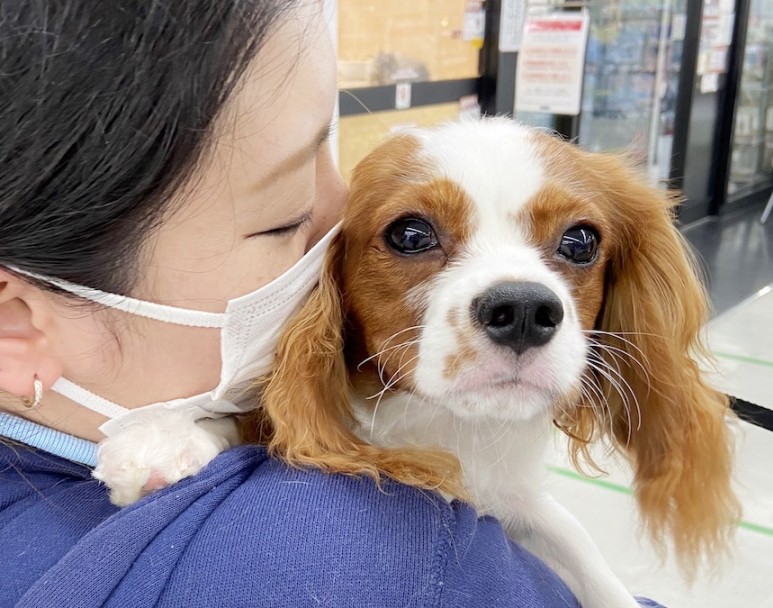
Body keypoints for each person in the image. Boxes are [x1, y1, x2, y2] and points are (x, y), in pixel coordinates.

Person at [0, 1, 665, 606]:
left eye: (331, 150)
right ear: (17, 320)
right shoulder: (378, 558)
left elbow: (523, 507)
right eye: (284, 213)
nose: (342, 219)